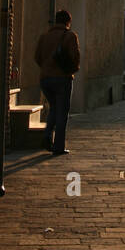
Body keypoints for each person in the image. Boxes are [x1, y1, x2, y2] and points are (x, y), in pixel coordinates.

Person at [35, 9, 81, 155]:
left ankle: (47, 136)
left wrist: (46, 68)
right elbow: (75, 58)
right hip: (62, 79)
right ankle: (58, 146)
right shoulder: (70, 36)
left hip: (45, 79)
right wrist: (71, 71)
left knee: (54, 108)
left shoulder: (45, 37)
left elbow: (37, 57)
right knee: (62, 112)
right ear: (68, 22)